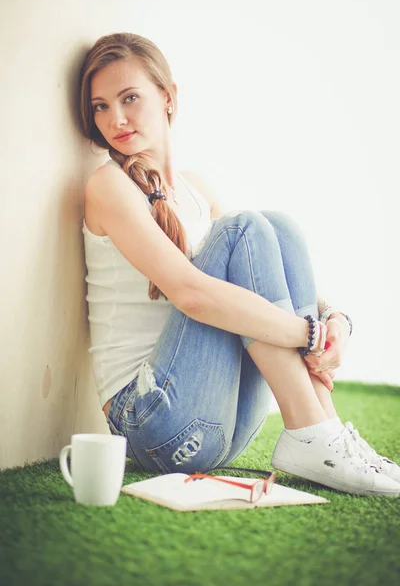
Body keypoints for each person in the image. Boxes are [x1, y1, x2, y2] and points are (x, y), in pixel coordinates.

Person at [79, 32, 399, 496]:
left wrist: (334, 322)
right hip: (150, 424)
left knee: (277, 227)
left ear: (168, 99)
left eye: (130, 98)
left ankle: (324, 431)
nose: (117, 118)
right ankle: (313, 430)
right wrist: (305, 336)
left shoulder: (194, 189)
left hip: (221, 423)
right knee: (244, 229)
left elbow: (267, 267)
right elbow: (191, 294)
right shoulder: (108, 186)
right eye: (100, 107)